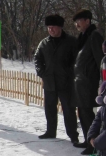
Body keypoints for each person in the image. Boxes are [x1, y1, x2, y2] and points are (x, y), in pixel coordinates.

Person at [34, 14, 79, 144]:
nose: (51, 30)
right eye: (48, 27)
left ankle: (73, 135)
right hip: (49, 82)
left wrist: (69, 72)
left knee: (69, 110)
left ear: (60, 27)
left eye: (53, 27)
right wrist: (42, 72)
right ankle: (50, 131)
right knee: (49, 108)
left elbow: (77, 60)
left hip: (66, 82)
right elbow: (37, 58)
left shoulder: (71, 42)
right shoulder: (44, 43)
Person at [73, 9, 104, 155]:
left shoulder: (94, 35)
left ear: (87, 21)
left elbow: (100, 60)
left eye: (79, 20)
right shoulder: (83, 36)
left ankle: (94, 143)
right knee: (82, 113)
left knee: (88, 114)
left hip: (90, 82)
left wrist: (102, 82)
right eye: (76, 21)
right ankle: (87, 140)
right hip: (81, 82)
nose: (77, 24)